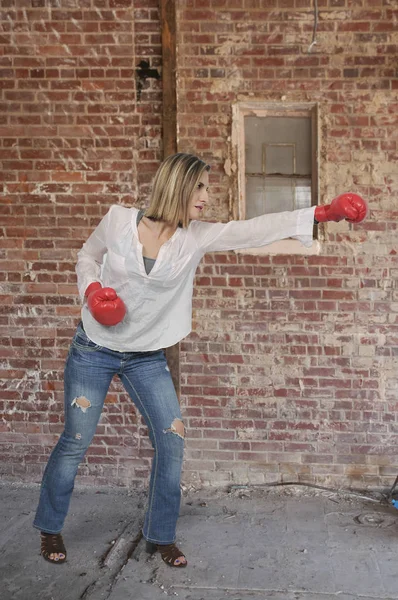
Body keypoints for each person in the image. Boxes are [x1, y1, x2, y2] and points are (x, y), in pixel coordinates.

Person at [33, 153, 368, 567]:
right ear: (177, 186)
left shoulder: (196, 237)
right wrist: (92, 289)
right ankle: (50, 528)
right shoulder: (119, 220)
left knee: (172, 440)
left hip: (146, 356)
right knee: (76, 440)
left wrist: (322, 212)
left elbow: (252, 231)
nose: (207, 197)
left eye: (207, 188)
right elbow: (87, 254)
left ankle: (161, 535)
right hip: (94, 349)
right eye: (200, 187)